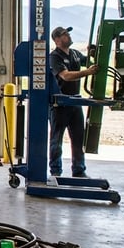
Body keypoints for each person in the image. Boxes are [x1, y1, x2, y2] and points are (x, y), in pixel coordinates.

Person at [48, 26, 100, 178]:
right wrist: (87, 72)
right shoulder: (54, 57)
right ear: (57, 40)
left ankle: (79, 170)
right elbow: (66, 76)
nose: (68, 36)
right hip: (60, 103)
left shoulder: (75, 54)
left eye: (68, 33)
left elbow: (89, 62)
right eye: (65, 35)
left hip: (75, 101)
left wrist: (94, 53)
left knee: (78, 137)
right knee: (56, 139)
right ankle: (55, 172)